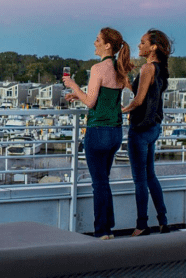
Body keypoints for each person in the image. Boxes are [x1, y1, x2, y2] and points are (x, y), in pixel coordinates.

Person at [63, 27, 133, 239]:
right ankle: (108, 228)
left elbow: (91, 102)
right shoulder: (120, 70)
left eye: (97, 40)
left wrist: (73, 85)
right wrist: (79, 95)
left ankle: (102, 231)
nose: (94, 43)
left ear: (107, 45)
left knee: (99, 183)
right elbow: (102, 98)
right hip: (115, 133)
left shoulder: (97, 68)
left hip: (98, 132)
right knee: (103, 180)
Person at [122, 29, 173, 236]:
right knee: (151, 176)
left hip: (140, 129)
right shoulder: (160, 69)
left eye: (143, 43)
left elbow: (139, 101)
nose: (139, 46)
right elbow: (146, 94)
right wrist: (128, 83)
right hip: (154, 128)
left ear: (153, 47)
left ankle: (141, 225)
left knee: (140, 180)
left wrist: (121, 110)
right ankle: (163, 221)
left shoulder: (147, 68)